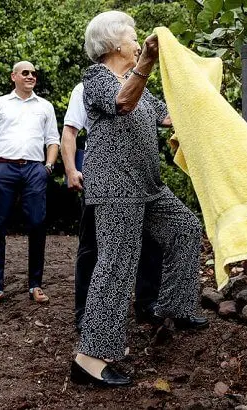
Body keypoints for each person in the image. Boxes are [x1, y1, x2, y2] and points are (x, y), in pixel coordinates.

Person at [71, 11, 206, 387]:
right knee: (116, 266)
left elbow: (168, 116)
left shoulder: (139, 85)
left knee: (186, 228)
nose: (137, 43)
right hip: (115, 188)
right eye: (133, 38)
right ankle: (89, 360)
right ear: (114, 43)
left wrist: (206, 104)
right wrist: (146, 60)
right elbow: (122, 103)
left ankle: (174, 307)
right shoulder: (95, 78)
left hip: (147, 187)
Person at [60, 82, 163, 330]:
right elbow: (70, 132)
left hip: (139, 176)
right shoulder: (86, 88)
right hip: (103, 175)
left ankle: (147, 305)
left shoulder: (140, 88)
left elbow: (162, 119)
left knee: (150, 240)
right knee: (93, 246)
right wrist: (72, 169)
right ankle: (86, 313)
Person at [0, 61, 60, 308]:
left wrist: (48, 167)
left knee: (37, 224)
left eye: (34, 73)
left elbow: (53, 139)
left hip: (35, 169)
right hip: (3, 168)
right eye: (25, 72)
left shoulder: (45, 106)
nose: (31, 76)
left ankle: (35, 284)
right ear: (14, 76)